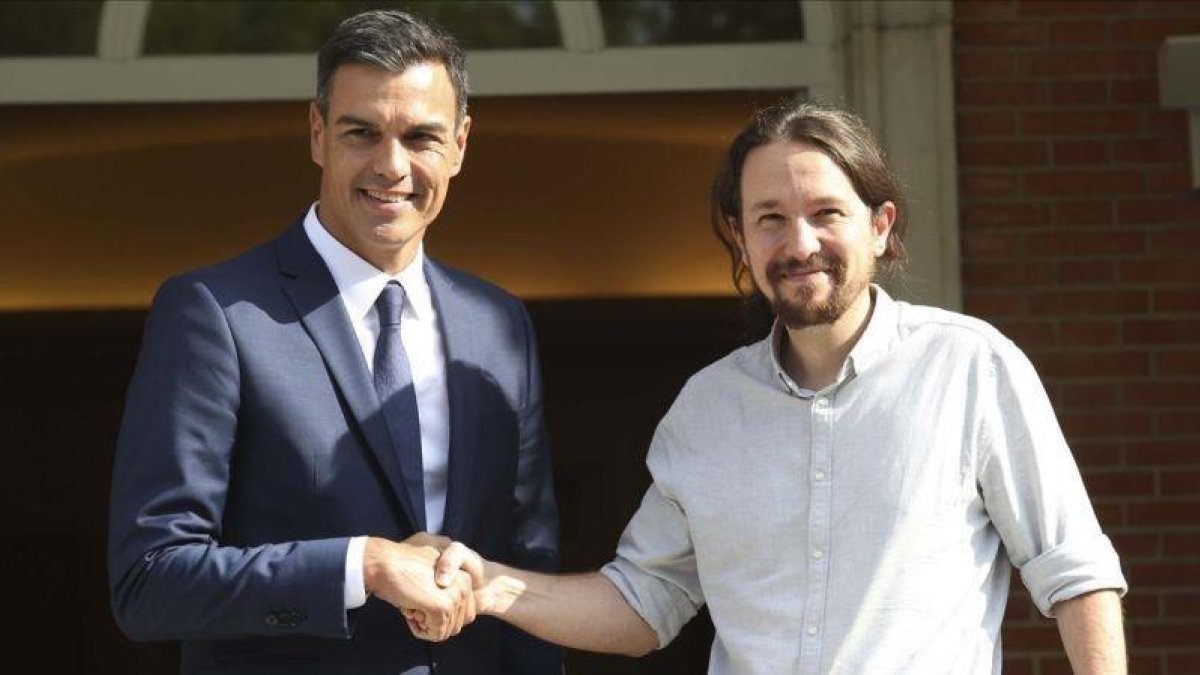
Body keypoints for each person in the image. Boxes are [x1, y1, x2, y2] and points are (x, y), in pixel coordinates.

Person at [430, 100, 1129, 674]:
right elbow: (642, 603)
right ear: (740, 238)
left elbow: (1074, 571)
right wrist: (487, 585)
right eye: (770, 219)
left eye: (826, 213)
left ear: (880, 226)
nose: (799, 244)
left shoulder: (970, 367)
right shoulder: (706, 410)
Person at [107, 10, 560, 675]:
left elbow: (527, 572)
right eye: (362, 132)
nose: (392, 165)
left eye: (422, 137)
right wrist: (364, 565)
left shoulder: (498, 324)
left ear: (460, 145)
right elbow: (150, 582)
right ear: (318, 133)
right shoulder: (215, 313)